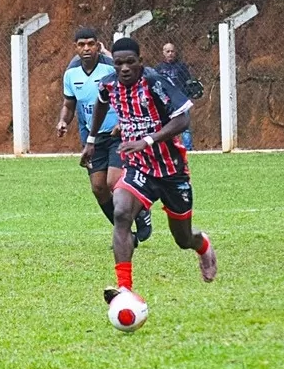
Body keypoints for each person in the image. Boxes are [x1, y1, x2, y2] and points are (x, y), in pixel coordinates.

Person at [82, 38, 217, 312]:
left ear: (140, 62)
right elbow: (101, 103)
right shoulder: (109, 84)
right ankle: (124, 289)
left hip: (171, 171)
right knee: (120, 213)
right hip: (138, 167)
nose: (124, 68)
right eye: (119, 63)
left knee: (182, 239)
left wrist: (147, 141)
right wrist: (92, 140)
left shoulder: (155, 83)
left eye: (130, 62)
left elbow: (182, 119)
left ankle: (202, 244)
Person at [57, 29, 152, 245]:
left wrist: (124, 121)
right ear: (76, 48)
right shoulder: (71, 75)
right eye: (81, 44)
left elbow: (129, 93)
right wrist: (64, 121)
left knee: (114, 181)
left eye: (91, 43)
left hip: (119, 134)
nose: (86, 48)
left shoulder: (112, 67)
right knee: (98, 188)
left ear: (98, 46)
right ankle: (126, 233)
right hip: (93, 136)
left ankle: (142, 211)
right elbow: (69, 105)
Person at [154, 42, 194, 150]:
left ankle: (188, 148)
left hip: (180, 99)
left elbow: (188, 82)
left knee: (185, 126)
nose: (170, 53)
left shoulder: (181, 67)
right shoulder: (159, 69)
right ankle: (169, 147)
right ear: (163, 53)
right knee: (167, 125)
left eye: (172, 51)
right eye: (168, 51)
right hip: (166, 101)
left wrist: (187, 95)